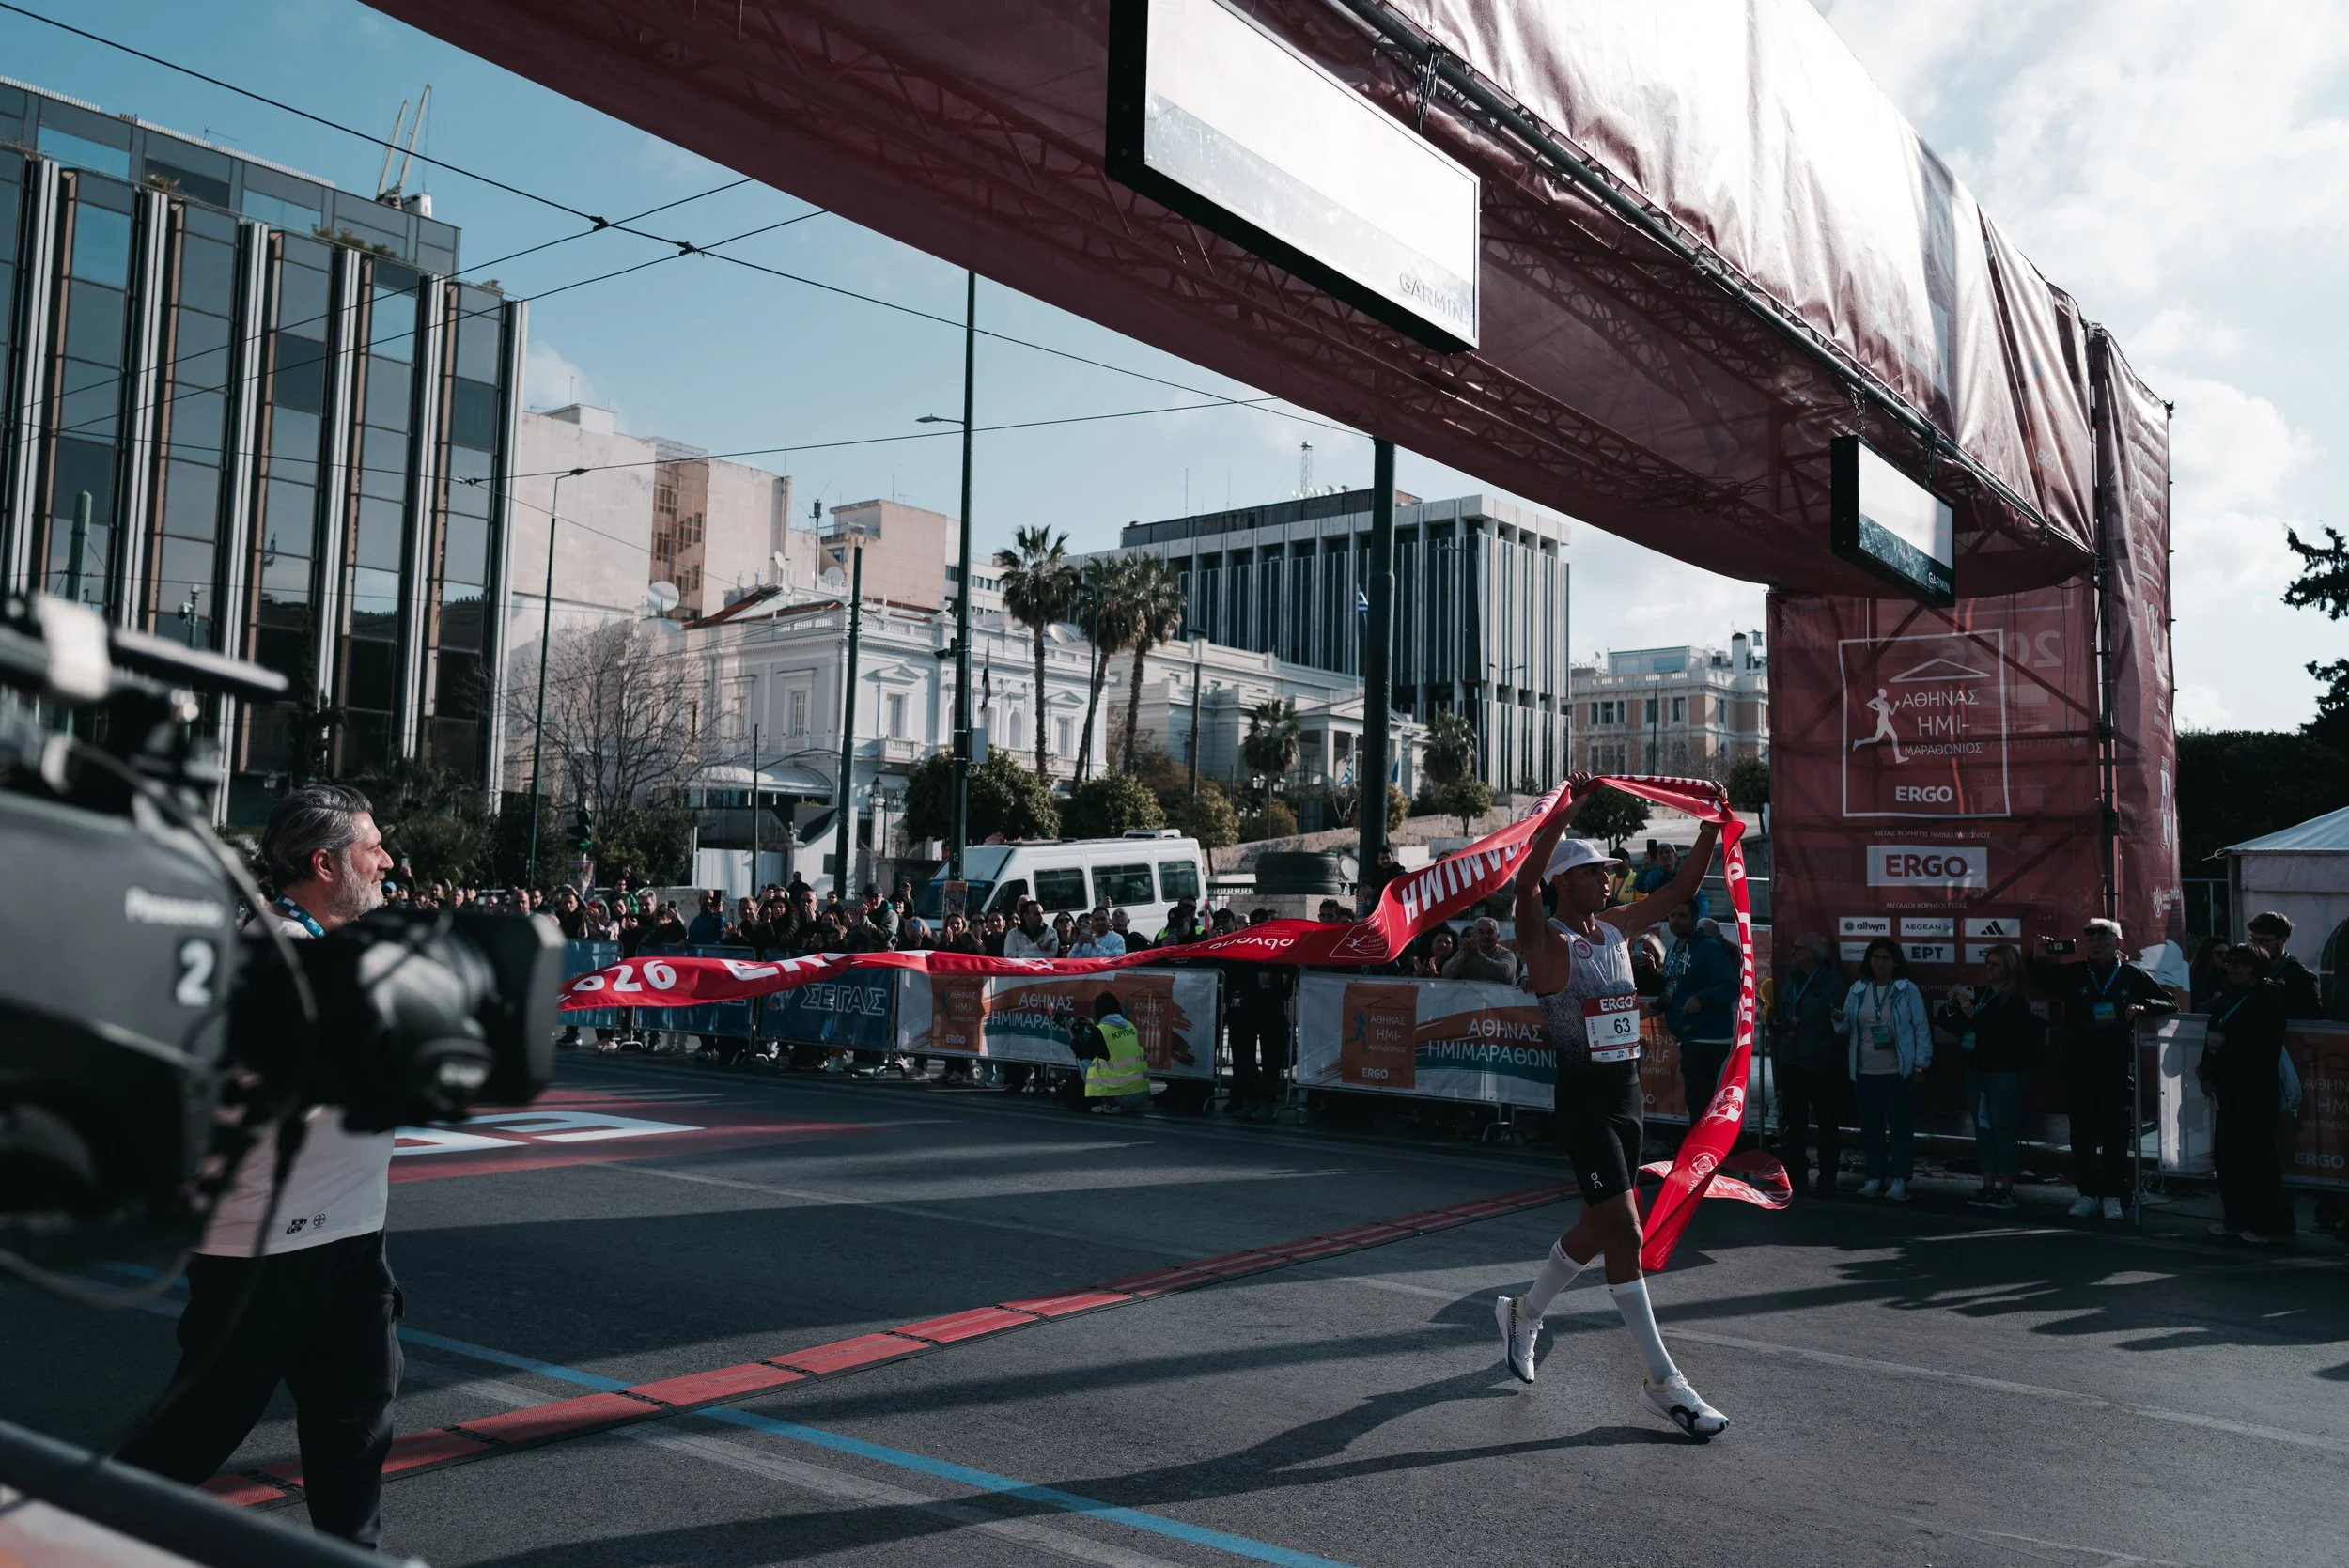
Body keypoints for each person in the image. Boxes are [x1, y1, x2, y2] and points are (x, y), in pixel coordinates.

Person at [117, 786, 403, 1546]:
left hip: (347, 1237)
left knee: (357, 1420)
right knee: (196, 1428)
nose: (386, 860)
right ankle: (63, 1539)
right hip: (262, 1252)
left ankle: (350, 1560)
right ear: (324, 862)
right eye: (371, 846)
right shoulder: (270, 953)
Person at [1493, 781, 1729, 1439]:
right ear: (1567, 881)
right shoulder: (1544, 940)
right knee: (1625, 1228)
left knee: (1599, 1227)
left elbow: (1680, 891)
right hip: (1585, 1100)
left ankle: (1525, 1312)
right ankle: (1663, 1380)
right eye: (1598, 871)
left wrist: (1710, 823)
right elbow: (1523, 889)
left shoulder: (1620, 927)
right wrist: (1565, 814)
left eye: (1610, 873)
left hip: (1629, 1096)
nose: (1610, 880)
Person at [2028, 919, 2177, 1220]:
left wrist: (2142, 1006)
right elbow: (2040, 978)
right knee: (2082, 1136)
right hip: (2078, 1068)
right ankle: (2088, 1193)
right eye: (2090, 937)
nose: (2095, 942)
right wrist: (2038, 955)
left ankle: (2113, 1195)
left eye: (2104, 936)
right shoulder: (2076, 973)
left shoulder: (2131, 975)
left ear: (2118, 943)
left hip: (2116, 1069)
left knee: (2114, 1136)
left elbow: (2169, 1002)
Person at [2197, 944, 2294, 1241]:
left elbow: (2265, 1046)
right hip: (2227, 1087)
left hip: (2255, 1088)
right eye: (2230, 963)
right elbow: (2213, 1033)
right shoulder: (2228, 995)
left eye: (2240, 963)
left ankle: (2270, 1225)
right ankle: (2236, 1220)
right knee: (2228, 1157)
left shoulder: (2269, 997)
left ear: (2256, 967)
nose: (2233, 968)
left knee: (2257, 1158)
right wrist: (2207, 1070)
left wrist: (2228, 1052)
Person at [1938, 943, 2035, 1210]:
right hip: (1977, 1073)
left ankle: (2007, 1189)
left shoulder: (2015, 1001)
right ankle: (1987, 1185)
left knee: (2003, 1131)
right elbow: (1951, 1023)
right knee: (1983, 1132)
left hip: (2003, 1075)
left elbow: (1999, 1037)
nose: (1990, 967)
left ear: (2009, 967)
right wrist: (1951, 1004)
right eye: (1988, 962)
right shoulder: (1979, 994)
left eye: (1996, 963)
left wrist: (1971, 1015)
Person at [1833, 937, 1931, 1201]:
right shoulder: (1857, 990)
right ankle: (1874, 1176)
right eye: (1875, 958)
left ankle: (1900, 1179)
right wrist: (1839, 1020)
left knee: (1901, 1128)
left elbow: (1921, 1028)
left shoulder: (1906, 989)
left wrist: (1921, 1065)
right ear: (1868, 961)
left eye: (1885, 958)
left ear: (1895, 961)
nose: (1880, 963)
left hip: (1899, 1072)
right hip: (1866, 1071)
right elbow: (1845, 1029)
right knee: (1871, 1128)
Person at [1769, 932, 1846, 1196]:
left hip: (1821, 1063)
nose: (1791, 954)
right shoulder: (1791, 979)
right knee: (1794, 1122)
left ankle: (1827, 1176)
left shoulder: (1832, 983)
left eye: (1796, 949)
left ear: (1811, 954)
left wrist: (1805, 1026)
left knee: (1826, 1122)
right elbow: (1782, 1010)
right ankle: (1796, 1174)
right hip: (1791, 1060)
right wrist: (1779, 1023)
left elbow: (1840, 1022)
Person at [1657, 897, 1737, 1119]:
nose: (1675, 921)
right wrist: (1660, 1001)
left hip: (1708, 1038)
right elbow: (1673, 986)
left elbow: (1730, 986)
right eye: (1672, 916)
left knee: (1698, 1102)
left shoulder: (1709, 947)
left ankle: (1702, 1153)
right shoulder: (1675, 948)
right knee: (1695, 1103)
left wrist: (1701, 998)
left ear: (1694, 919)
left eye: (1682, 915)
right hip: (1688, 1036)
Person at [2246, 911, 2324, 1018]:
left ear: (2283, 940)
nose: (2258, 946)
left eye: (2265, 941)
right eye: (2253, 939)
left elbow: (2312, 1022)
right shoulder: (2246, 970)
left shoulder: (2301, 977)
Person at [1443, 917, 1517, 984]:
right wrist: (1463, 959)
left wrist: (1477, 956)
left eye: (1490, 932)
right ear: (1474, 935)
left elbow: (1504, 973)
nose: (1485, 935)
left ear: (1498, 936)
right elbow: (1446, 973)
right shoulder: (1466, 951)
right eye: (1481, 932)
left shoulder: (1506, 954)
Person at [2187, 936, 2232, 1013]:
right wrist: (2211, 1002)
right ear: (2208, 953)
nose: (2224, 957)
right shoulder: (2197, 974)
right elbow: (2194, 1007)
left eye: (2227, 954)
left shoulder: (2226, 971)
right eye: (2219, 954)